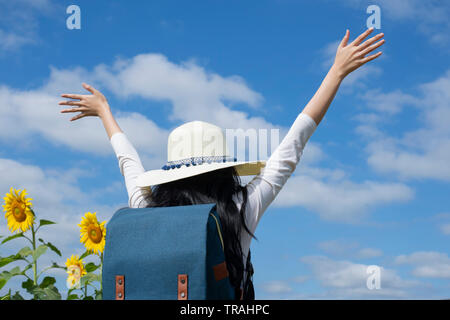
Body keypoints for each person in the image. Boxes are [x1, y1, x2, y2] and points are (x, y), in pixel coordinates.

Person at [58, 28, 384, 299]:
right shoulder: (239, 208)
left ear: (172, 172)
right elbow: (293, 145)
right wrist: (336, 72)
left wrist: (104, 111)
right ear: (224, 170)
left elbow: (127, 163)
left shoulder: (145, 205)